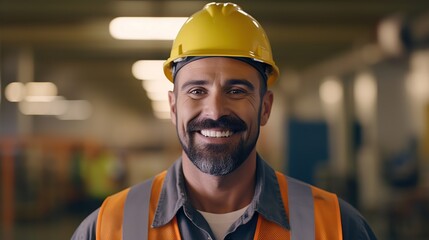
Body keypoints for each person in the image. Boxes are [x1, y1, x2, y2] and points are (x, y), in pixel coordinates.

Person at [72, 2, 377, 240]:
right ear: (173, 106)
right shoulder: (107, 228)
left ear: (265, 107)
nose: (215, 111)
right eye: (197, 91)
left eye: (236, 90)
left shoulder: (337, 227)